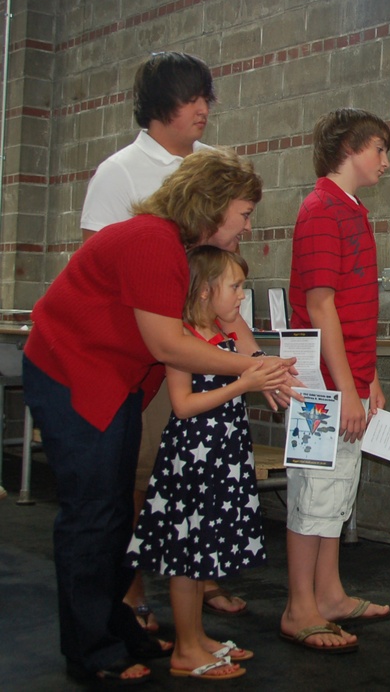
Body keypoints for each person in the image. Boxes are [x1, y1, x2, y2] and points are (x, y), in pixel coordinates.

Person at [23, 148, 299, 685]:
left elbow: (200, 330)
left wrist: (258, 366)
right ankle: (90, 651)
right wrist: (251, 371)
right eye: (243, 213)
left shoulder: (174, 247)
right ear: (213, 206)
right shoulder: (152, 241)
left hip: (111, 379)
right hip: (71, 374)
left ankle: (116, 629)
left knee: (115, 511)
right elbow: (169, 343)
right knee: (92, 515)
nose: (248, 224)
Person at [81, 51, 251, 630]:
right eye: (190, 98)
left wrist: (250, 355)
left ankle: (196, 578)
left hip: (205, 344)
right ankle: (131, 590)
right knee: (145, 470)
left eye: (207, 96)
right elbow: (97, 274)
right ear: (159, 106)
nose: (203, 108)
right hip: (151, 352)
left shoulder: (211, 165)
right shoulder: (120, 172)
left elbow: (226, 270)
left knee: (202, 472)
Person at [127, 247, 278, 680]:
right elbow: (183, 405)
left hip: (220, 460)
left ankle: (198, 635)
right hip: (192, 460)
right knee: (186, 555)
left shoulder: (221, 335)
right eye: (235, 287)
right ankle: (186, 649)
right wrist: (242, 384)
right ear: (207, 291)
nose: (240, 297)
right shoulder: (183, 338)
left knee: (202, 554)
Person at [280, 109, 390, 652]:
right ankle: (299, 606)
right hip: (322, 386)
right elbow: (321, 305)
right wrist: (345, 387)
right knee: (312, 492)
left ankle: (328, 593)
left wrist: (369, 379)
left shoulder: (352, 211)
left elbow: (355, 308)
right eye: (378, 149)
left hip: (346, 379)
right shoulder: (321, 208)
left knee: (335, 493)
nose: (385, 161)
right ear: (349, 147)